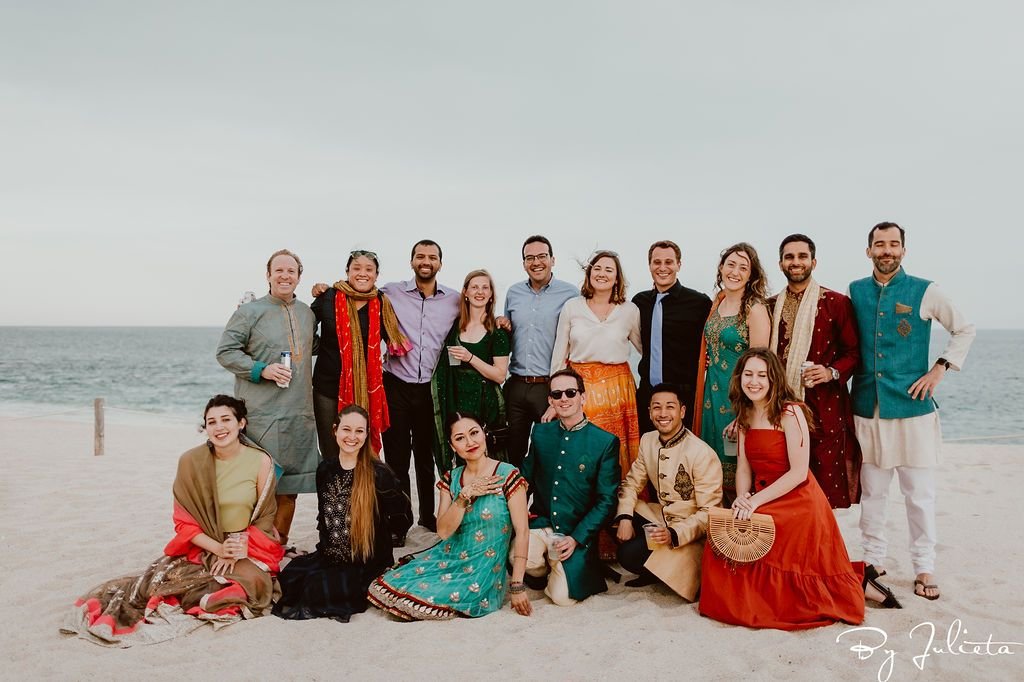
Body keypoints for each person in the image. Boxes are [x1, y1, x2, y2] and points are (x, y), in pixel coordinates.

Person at [63, 395, 285, 646]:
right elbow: (184, 523)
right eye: (211, 422)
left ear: (241, 423)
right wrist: (219, 549)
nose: (219, 427)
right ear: (205, 427)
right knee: (184, 588)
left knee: (254, 585)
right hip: (206, 545)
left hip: (246, 542)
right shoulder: (191, 462)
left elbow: (265, 514)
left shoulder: (260, 460)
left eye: (226, 420)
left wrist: (239, 545)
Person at [698, 350, 884, 631]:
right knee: (721, 546)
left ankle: (857, 582)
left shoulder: (790, 411)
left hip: (796, 498)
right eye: (748, 374)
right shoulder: (745, 412)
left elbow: (798, 473)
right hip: (760, 496)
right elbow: (744, 469)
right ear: (739, 378)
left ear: (774, 378)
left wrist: (755, 502)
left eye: (762, 375)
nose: (754, 381)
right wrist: (741, 498)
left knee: (771, 548)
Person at [849, 222, 975, 601]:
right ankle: (873, 560)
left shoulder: (926, 290)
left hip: (914, 410)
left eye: (893, 244)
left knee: (919, 495)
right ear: (868, 250)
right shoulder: (855, 291)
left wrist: (939, 369)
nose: (886, 251)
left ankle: (924, 567)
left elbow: (964, 328)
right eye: (879, 244)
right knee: (872, 493)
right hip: (867, 408)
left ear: (904, 250)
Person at [368, 413, 532, 619]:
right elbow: (444, 532)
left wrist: (517, 585)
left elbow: (523, 531)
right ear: (453, 446)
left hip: (483, 568)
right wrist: (464, 495)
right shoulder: (452, 478)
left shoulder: (508, 475)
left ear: (484, 433)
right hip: (448, 556)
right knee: (386, 587)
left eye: (474, 433)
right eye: (460, 438)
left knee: (422, 600)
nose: (470, 442)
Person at [217, 249, 319, 548]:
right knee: (259, 487)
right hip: (261, 414)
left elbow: (310, 347)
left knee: (290, 488)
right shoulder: (248, 312)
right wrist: (262, 369)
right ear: (268, 275)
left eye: (291, 271)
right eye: (279, 270)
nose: (285, 276)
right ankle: (252, 546)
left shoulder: (306, 313)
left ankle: (276, 547)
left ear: (299, 276)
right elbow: (225, 352)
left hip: (299, 413)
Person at [273, 404, 412, 622]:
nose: (352, 437)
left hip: (366, 561)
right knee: (290, 576)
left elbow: (403, 518)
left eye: (359, 431)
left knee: (316, 590)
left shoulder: (379, 474)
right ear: (335, 430)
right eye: (346, 429)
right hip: (331, 555)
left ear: (367, 435)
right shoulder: (325, 470)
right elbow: (324, 517)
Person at [768, 234, 862, 508]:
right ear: (781, 264)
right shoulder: (770, 305)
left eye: (801, 256)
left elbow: (854, 353)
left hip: (824, 407)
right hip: (780, 406)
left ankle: (823, 546)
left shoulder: (836, 302)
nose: (795, 262)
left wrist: (831, 372)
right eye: (789, 257)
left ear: (813, 262)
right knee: (782, 479)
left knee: (823, 484)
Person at [521, 369, 621, 605]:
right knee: (523, 558)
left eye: (570, 392)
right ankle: (543, 568)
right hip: (542, 524)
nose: (563, 398)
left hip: (575, 534)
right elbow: (525, 479)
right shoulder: (540, 433)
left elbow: (607, 501)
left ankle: (563, 570)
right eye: (557, 394)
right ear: (550, 401)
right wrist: (518, 511)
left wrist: (576, 538)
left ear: (583, 397)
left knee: (563, 599)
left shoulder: (605, 442)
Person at [615, 383, 723, 599]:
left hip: (689, 533)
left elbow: (710, 513)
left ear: (682, 411)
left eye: (670, 407)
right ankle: (657, 567)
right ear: (649, 412)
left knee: (630, 554)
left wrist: (674, 533)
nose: (663, 414)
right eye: (657, 407)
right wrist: (625, 517)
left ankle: (671, 566)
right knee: (612, 505)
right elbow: (631, 484)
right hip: (661, 519)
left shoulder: (701, 453)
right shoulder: (648, 441)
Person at [549, 250, 642, 494]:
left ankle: (620, 511)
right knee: (584, 450)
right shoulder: (572, 307)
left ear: (617, 278)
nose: (602, 273)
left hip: (618, 390)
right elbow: (559, 354)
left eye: (609, 269)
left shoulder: (629, 310)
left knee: (616, 452)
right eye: (597, 268)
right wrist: (555, 399)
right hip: (581, 389)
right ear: (589, 273)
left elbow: (646, 350)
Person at [309, 250, 410, 459]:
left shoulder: (382, 303)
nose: (362, 273)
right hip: (327, 388)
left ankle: (361, 491)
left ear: (376, 275)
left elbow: (396, 341)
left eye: (369, 269)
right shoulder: (328, 297)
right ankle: (334, 492)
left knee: (361, 451)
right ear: (347, 271)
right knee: (331, 450)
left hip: (366, 390)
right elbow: (303, 330)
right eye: (356, 268)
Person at [693, 242, 770, 505]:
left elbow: (761, 368)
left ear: (752, 275)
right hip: (710, 399)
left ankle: (740, 537)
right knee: (709, 472)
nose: (735, 272)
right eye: (731, 264)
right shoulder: (718, 303)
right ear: (721, 268)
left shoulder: (755, 310)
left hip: (738, 401)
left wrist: (746, 412)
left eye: (743, 267)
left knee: (739, 471)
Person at [501, 235, 578, 467]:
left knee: (551, 456)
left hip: (551, 387)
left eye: (542, 256)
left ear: (552, 260)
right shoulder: (513, 293)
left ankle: (544, 504)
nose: (536, 262)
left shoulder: (570, 294)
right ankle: (514, 502)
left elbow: (576, 342)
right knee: (511, 454)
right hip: (516, 385)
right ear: (524, 263)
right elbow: (507, 335)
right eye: (530, 258)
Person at [431, 269, 511, 473]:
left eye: (485, 287)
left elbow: (499, 375)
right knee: (462, 461)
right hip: (457, 403)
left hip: (485, 405)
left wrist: (470, 358)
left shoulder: (497, 331)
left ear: (491, 294)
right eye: (474, 287)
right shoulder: (455, 328)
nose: (480, 292)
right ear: (465, 292)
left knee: (487, 461)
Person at [633, 241, 712, 433]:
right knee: (648, 451)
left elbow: (713, 338)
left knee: (683, 456)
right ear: (649, 265)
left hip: (684, 395)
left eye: (669, 262)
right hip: (647, 394)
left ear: (679, 265)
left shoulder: (699, 303)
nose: (662, 268)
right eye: (656, 262)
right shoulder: (639, 302)